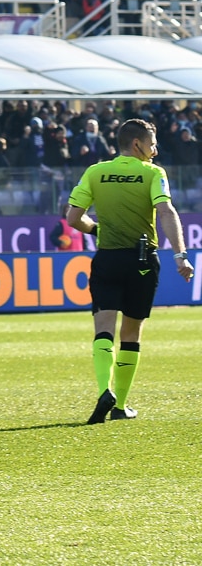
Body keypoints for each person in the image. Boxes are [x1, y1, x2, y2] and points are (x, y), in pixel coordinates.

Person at [66, 118, 194, 425]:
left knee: (103, 330)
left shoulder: (95, 172)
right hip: (141, 261)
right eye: (151, 143)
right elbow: (166, 211)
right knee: (131, 333)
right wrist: (180, 255)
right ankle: (120, 405)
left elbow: (73, 218)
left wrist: (96, 229)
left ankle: (103, 390)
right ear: (137, 144)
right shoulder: (152, 173)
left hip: (107, 259)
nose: (155, 149)